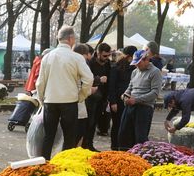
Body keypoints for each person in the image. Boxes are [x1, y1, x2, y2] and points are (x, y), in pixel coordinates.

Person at [36, 25, 93, 159]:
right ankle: (64, 166)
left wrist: (42, 100)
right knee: (69, 138)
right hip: (69, 102)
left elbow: (40, 83)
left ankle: (43, 165)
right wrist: (81, 96)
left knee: (48, 137)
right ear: (71, 38)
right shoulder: (76, 58)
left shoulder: (47, 57)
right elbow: (89, 79)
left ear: (59, 38)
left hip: (50, 101)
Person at [118, 49, 162, 149]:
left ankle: (140, 159)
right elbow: (130, 87)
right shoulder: (134, 72)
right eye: (135, 63)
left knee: (140, 137)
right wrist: (124, 95)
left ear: (147, 60)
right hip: (130, 105)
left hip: (144, 107)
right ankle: (124, 158)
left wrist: (136, 99)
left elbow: (154, 93)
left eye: (139, 63)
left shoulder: (155, 72)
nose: (137, 65)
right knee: (123, 134)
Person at [107, 45, 137, 150]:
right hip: (118, 101)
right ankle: (115, 146)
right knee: (117, 124)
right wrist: (113, 102)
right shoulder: (116, 67)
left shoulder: (134, 68)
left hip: (128, 99)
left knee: (125, 124)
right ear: (130, 56)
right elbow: (111, 86)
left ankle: (124, 145)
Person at [85, 42, 112, 146]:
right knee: (89, 123)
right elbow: (87, 79)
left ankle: (90, 144)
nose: (106, 58)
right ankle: (85, 144)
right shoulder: (90, 63)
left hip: (102, 98)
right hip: (91, 97)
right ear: (98, 53)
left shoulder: (107, 63)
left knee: (95, 122)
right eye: (105, 55)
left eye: (108, 55)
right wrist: (99, 80)